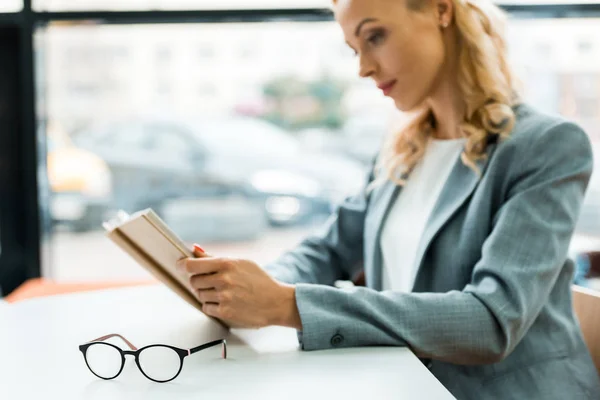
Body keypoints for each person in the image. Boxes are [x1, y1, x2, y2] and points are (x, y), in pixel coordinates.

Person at [176, 0, 600, 397]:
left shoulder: (546, 146)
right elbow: (324, 251)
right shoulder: (404, 150)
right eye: (353, 48)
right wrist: (244, 288)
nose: (362, 67)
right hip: (403, 385)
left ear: (440, 10)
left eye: (375, 36)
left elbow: (491, 320)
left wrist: (285, 304)